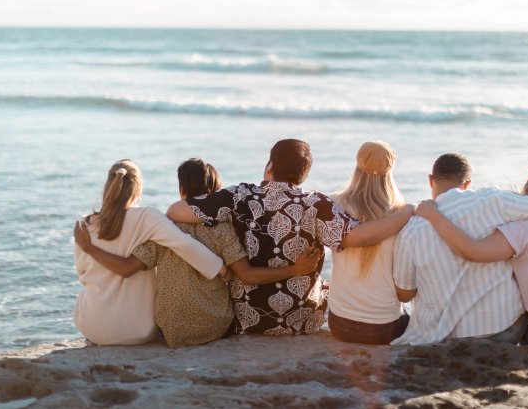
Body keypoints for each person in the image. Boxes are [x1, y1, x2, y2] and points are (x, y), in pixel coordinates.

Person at [167, 138, 414, 336]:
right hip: (302, 321)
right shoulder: (315, 203)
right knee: (328, 287)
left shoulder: (240, 195)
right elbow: (358, 237)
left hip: (247, 319)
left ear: (270, 166)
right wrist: (406, 213)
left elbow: (176, 211)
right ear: (304, 175)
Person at [75, 158, 321, 347]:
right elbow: (241, 272)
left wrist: (89, 247)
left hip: (169, 329)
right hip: (215, 325)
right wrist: (222, 268)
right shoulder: (218, 228)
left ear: (181, 188)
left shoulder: (160, 226)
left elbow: (114, 269)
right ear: (215, 192)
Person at [391, 153, 528, 346]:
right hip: (504, 331)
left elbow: (405, 293)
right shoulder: (493, 201)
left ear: (431, 180)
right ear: (467, 183)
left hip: (440, 337)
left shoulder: (412, 228)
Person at [73, 159, 226, 346]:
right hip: (138, 330)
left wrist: (90, 248)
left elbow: (82, 273)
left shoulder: (83, 225)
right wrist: (218, 267)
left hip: (92, 327)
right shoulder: (148, 217)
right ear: (138, 188)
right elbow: (184, 244)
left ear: (108, 185)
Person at [327, 141, 411, 345]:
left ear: (357, 165)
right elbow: (405, 294)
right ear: (390, 171)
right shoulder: (403, 216)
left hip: (339, 324)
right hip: (384, 329)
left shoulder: (333, 204)